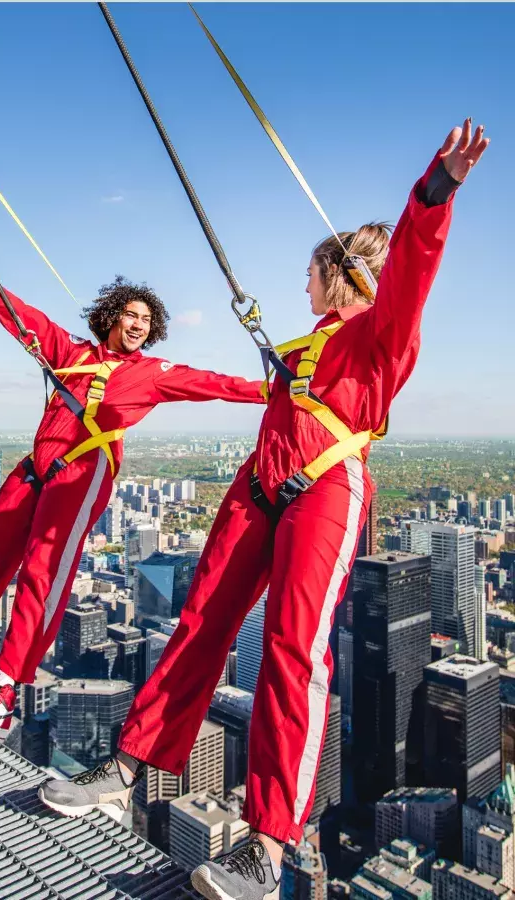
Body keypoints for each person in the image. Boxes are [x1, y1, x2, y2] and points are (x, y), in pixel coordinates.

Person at [39, 120, 489, 900]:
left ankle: (269, 844)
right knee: (202, 618)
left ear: (336, 273)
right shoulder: (307, 344)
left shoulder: (382, 336)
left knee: (292, 648)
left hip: (325, 486)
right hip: (259, 483)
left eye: (311, 275)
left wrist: (436, 190)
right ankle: (134, 762)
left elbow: (414, 269)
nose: (302, 286)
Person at [0, 235, 266, 740]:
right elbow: (22, 317)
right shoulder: (70, 351)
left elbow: (213, 383)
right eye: (130, 314)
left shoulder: (151, 374)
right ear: (111, 317)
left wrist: (274, 390)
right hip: (36, 467)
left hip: (82, 470)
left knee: (42, 575)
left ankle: (3, 693)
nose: (138, 325)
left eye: (146, 319)